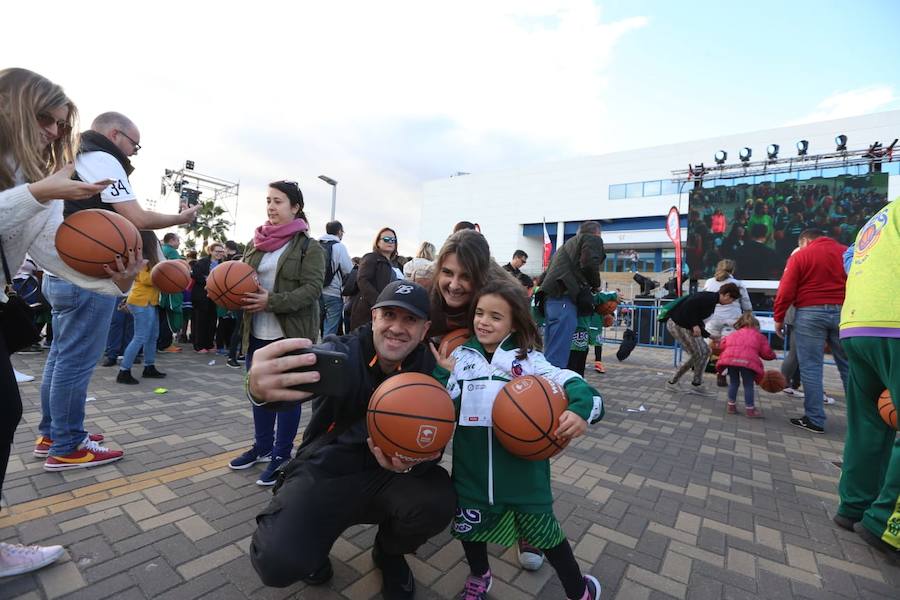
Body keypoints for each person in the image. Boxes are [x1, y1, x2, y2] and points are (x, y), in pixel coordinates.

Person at [0, 68, 141, 575]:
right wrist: (38, 193)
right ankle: (64, 443)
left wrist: (118, 282)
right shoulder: (37, 185)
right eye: (45, 120)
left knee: (8, 408)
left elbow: (56, 253)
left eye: (61, 124)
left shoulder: (42, 182)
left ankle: (55, 441)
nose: (55, 133)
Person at [248, 281, 456, 599]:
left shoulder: (430, 371)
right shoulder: (342, 353)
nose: (397, 328)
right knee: (277, 562)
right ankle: (310, 552)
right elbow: (292, 384)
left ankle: (389, 552)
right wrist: (258, 388)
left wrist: (421, 458)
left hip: (389, 478)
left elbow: (433, 438)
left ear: (424, 328)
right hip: (327, 472)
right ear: (373, 318)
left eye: (410, 320)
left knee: (438, 500)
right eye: (389, 315)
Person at [37, 110, 196, 471]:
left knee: (60, 358)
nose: (135, 153)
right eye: (134, 144)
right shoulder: (104, 157)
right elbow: (136, 218)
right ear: (115, 134)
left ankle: (53, 433)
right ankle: (68, 445)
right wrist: (180, 218)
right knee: (74, 365)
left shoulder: (73, 154)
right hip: (86, 275)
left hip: (59, 271)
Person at [432, 277, 602, 600]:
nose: (483, 322)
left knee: (548, 536)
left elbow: (571, 381)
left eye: (495, 317)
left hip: (526, 479)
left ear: (514, 322)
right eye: (479, 313)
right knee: (470, 531)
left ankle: (579, 588)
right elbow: (440, 408)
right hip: (472, 476)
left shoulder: (529, 361)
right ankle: (480, 575)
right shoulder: (461, 360)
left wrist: (582, 409)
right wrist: (442, 374)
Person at [426, 230, 546, 570]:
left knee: (521, 444)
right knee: (468, 450)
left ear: (480, 276)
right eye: (447, 273)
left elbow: (529, 342)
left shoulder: (504, 295)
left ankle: (529, 526)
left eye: (465, 276)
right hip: (455, 375)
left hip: (509, 379)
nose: (454, 284)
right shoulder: (429, 295)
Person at [228, 181, 325, 486]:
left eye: (278, 201)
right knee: (258, 393)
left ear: (295, 207)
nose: (271, 207)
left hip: (290, 333)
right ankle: (262, 447)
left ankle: (282, 454)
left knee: (286, 398)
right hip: (255, 332)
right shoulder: (254, 243)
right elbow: (240, 279)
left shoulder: (310, 247)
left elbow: (312, 290)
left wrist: (272, 301)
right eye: (268, 201)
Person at [833, 198, 900, 561]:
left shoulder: (880, 216)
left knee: (867, 424)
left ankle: (854, 506)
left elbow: (849, 262)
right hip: (896, 322)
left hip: (858, 324)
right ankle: (888, 524)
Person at [773, 229, 849, 434]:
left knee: (811, 368)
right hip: (845, 311)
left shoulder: (801, 255)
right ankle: (863, 422)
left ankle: (815, 419)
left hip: (809, 313)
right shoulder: (847, 252)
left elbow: (786, 289)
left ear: (805, 240)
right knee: (849, 367)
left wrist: (779, 317)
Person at [539, 221, 606, 368]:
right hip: (565, 298)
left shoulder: (564, 248)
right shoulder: (591, 238)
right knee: (558, 355)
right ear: (597, 233)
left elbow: (544, 276)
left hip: (550, 299)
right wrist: (596, 284)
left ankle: (546, 385)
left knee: (551, 351)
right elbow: (589, 263)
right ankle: (553, 388)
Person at [662, 283, 741, 395]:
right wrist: (694, 325)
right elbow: (688, 307)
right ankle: (672, 382)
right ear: (727, 295)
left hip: (683, 325)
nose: (730, 303)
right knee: (697, 354)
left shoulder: (711, 300)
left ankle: (696, 384)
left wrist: (708, 335)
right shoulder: (708, 298)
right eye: (731, 300)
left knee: (705, 351)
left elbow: (697, 318)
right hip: (678, 324)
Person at [116, 231, 167, 384]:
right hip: (140, 301)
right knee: (140, 337)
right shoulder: (141, 259)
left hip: (150, 301)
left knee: (152, 336)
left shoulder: (151, 259)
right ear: (152, 242)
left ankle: (149, 367)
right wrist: (165, 277)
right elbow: (145, 279)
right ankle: (124, 371)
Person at [715, 313, 775, 418]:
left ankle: (731, 406)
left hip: (731, 361)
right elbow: (766, 353)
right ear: (756, 325)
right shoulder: (759, 336)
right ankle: (750, 410)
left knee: (734, 382)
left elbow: (722, 346)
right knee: (748, 385)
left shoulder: (733, 334)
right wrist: (773, 355)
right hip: (748, 363)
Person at [349, 227, 401, 331]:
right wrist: (378, 302)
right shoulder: (371, 257)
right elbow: (362, 280)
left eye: (393, 240)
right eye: (386, 239)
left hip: (388, 310)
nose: (390, 242)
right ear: (378, 242)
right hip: (368, 311)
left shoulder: (396, 264)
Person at [319, 220, 353, 336]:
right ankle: (326, 351)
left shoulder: (316, 244)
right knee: (330, 327)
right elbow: (348, 269)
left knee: (315, 325)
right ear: (339, 232)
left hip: (315, 291)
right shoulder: (339, 247)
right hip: (332, 292)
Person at [190, 242, 225, 352]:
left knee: (212, 320)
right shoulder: (202, 262)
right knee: (200, 320)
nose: (219, 253)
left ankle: (209, 344)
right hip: (201, 295)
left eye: (221, 251)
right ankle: (199, 345)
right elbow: (194, 274)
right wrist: (207, 279)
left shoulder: (224, 264)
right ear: (210, 251)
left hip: (215, 296)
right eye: (217, 251)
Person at [157, 232, 183, 353]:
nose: (179, 243)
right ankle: (165, 344)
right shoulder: (172, 251)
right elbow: (176, 271)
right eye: (178, 240)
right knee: (168, 318)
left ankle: (159, 343)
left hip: (159, 289)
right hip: (169, 291)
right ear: (172, 240)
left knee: (161, 318)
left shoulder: (160, 249)